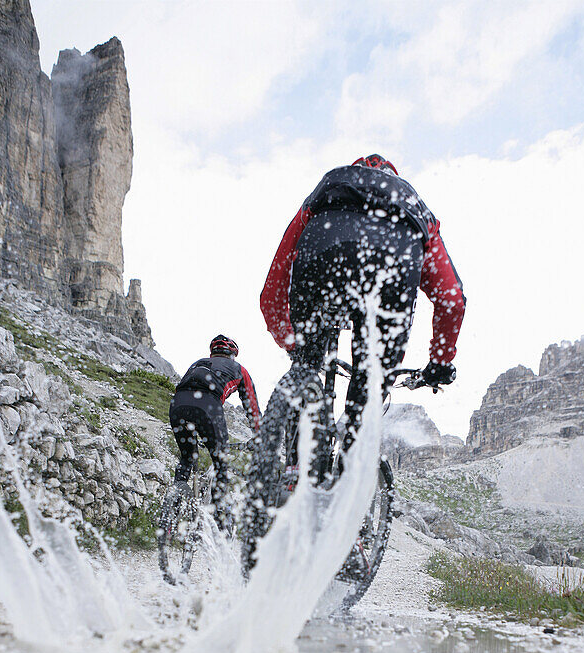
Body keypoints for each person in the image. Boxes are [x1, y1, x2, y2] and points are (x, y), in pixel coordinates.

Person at [260, 153, 466, 451]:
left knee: (307, 362)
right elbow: (452, 299)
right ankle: (350, 456)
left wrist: (291, 339)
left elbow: (276, 278)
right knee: (368, 387)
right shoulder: (417, 210)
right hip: (393, 269)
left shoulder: (329, 187)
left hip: (321, 251)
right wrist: (439, 362)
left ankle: (289, 467)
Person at [169, 334, 260, 528]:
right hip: (208, 406)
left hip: (177, 405)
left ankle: (171, 514)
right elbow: (252, 407)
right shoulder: (239, 369)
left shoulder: (198, 363)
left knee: (187, 457)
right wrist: (259, 436)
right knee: (221, 462)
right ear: (233, 355)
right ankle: (218, 521)